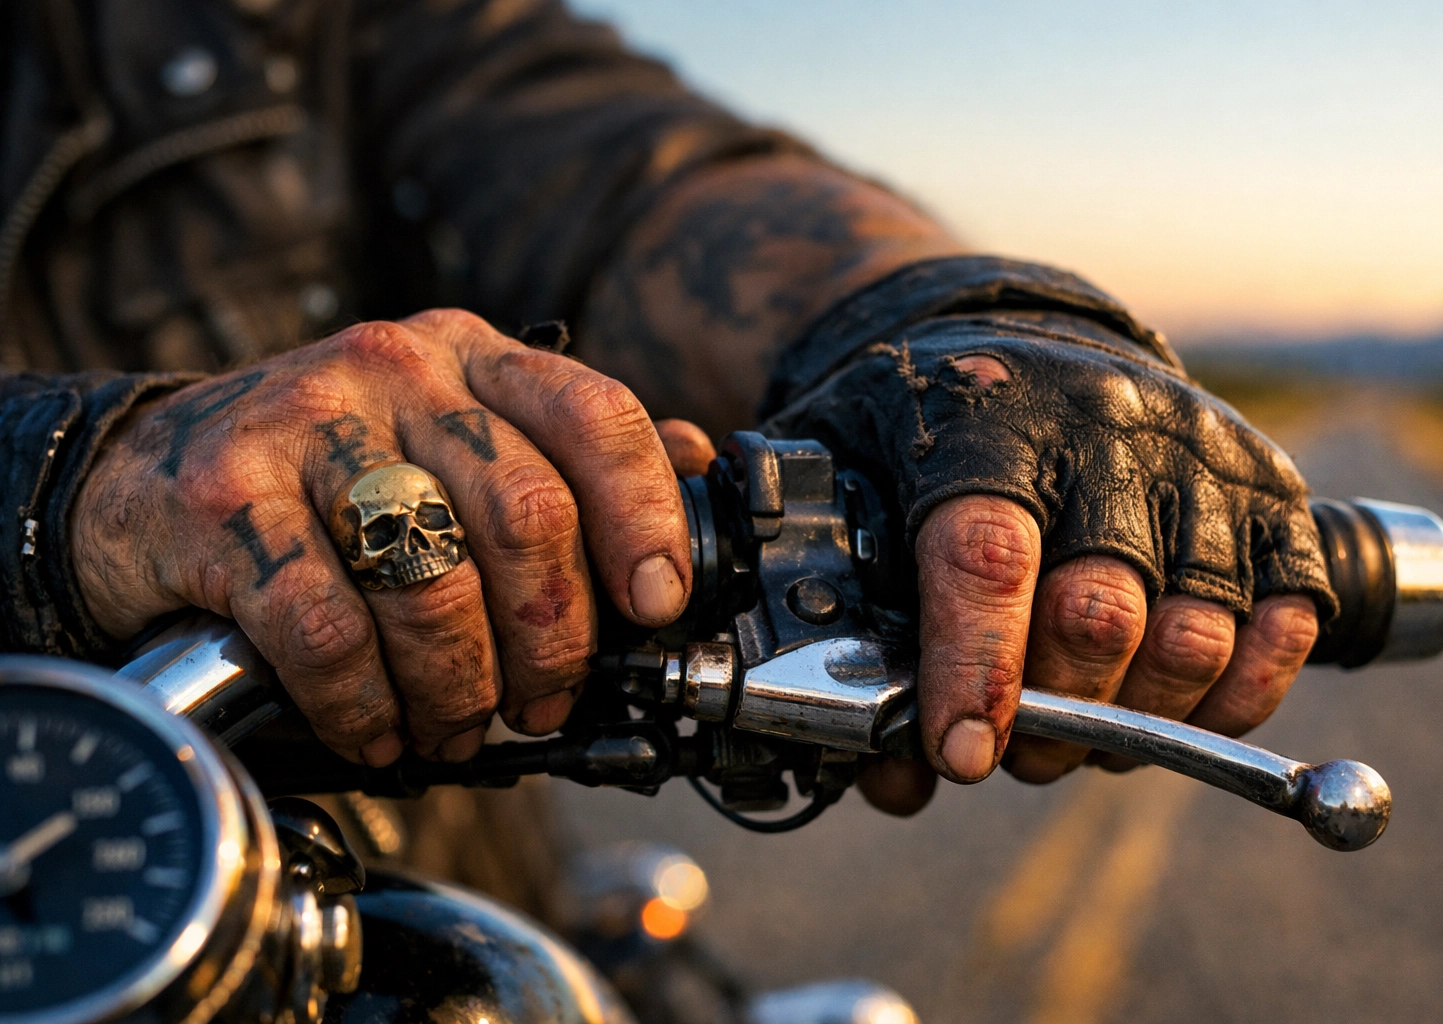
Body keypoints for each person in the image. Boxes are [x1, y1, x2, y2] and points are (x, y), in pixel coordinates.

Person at [0, 0, 1330, 909]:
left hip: (428, 900)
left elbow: (620, 168)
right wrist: (64, 485)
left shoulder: (255, 22)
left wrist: (963, 325)